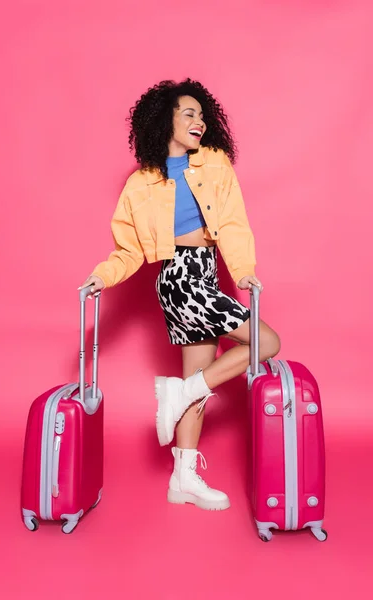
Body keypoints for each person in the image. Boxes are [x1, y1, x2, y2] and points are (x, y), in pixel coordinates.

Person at [79, 78, 281, 511]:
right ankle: (181, 396)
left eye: (202, 116)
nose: (199, 123)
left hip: (206, 274)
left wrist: (243, 272)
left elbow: (232, 223)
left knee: (196, 383)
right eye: (188, 114)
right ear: (164, 120)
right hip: (179, 277)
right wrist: (103, 276)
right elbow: (128, 249)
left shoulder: (214, 165)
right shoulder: (140, 185)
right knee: (268, 343)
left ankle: (182, 479)